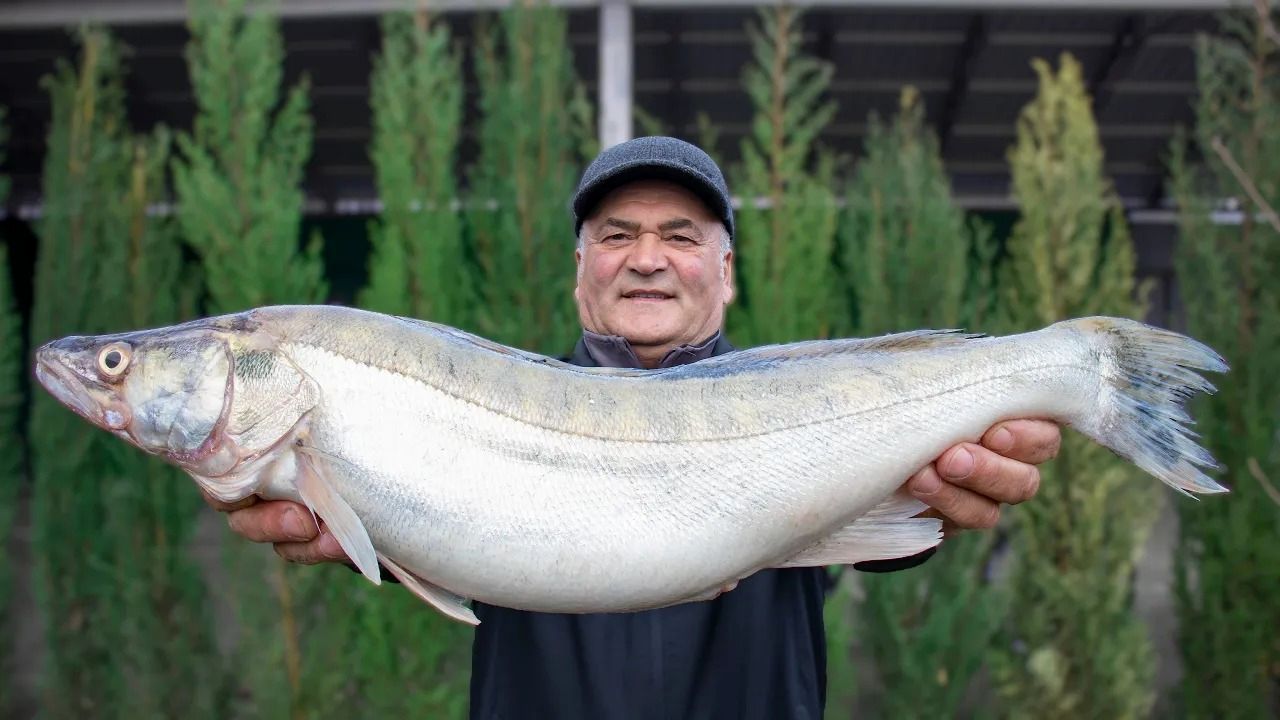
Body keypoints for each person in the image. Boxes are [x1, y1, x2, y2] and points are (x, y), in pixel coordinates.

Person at [207, 136, 1060, 719]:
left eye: (680, 236)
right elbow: (410, 514)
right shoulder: (463, 410)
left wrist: (943, 499)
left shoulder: (814, 402)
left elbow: (906, 519)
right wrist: (345, 511)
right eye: (616, 235)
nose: (646, 256)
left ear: (724, 274)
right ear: (582, 272)